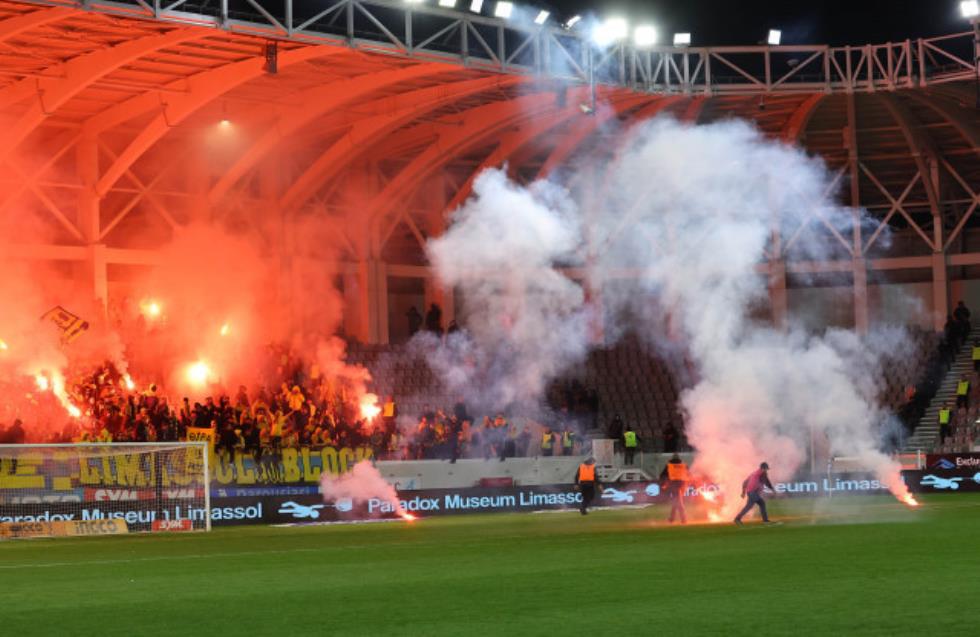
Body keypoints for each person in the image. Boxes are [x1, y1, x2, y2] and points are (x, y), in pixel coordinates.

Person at [659, 453, 688, 524]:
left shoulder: (669, 465)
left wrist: (663, 484)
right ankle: (672, 519)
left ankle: (683, 519)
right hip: (682, 485)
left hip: (673, 485)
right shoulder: (683, 465)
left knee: (678, 502)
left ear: (672, 458)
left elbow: (662, 475)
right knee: (677, 501)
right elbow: (689, 474)